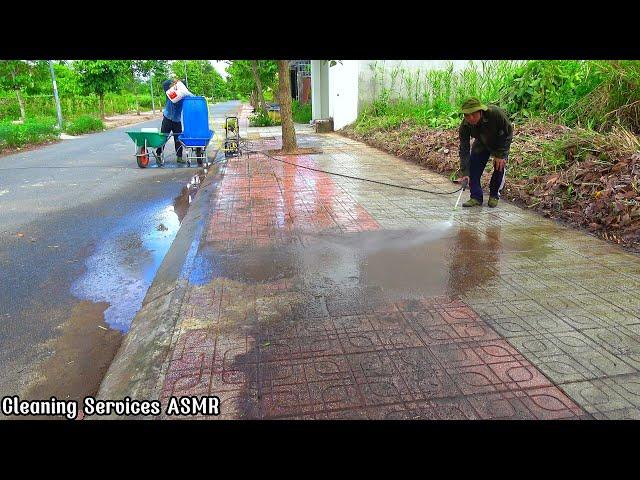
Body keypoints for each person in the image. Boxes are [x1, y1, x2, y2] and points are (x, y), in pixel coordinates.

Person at [457, 97, 513, 208]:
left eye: (473, 114)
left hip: (500, 142)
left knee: (499, 166)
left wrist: (501, 155)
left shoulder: (495, 113)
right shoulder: (465, 125)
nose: (470, 118)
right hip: (481, 142)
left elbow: (508, 132)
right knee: (473, 167)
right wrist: (465, 171)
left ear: (480, 111)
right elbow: (464, 148)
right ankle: (476, 197)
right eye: (467, 115)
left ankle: (494, 195)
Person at [157, 78, 194, 164]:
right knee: (163, 138)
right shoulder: (171, 92)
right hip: (167, 118)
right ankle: (158, 154)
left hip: (177, 120)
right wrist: (173, 80)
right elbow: (165, 83)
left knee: (178, 139)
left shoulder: (184, 94)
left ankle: (179, 157)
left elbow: (193, 97)